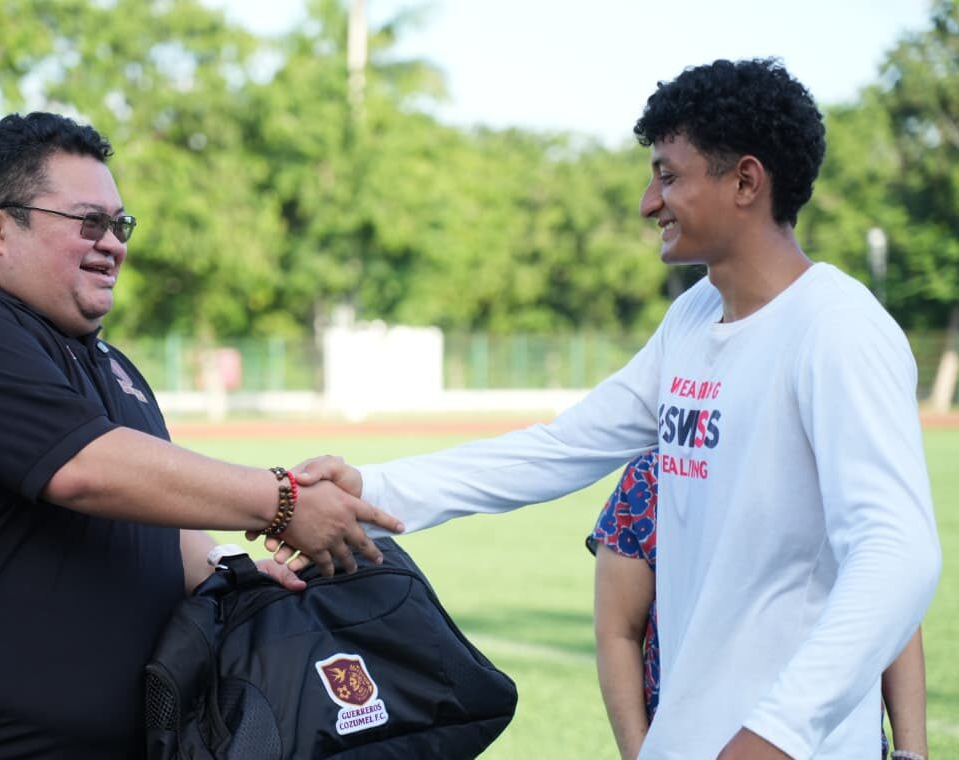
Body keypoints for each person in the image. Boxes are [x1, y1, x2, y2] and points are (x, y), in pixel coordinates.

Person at [286, 58, 941, 759]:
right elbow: (560, 449)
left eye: (668, 175)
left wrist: (780, 731)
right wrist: (375, 490)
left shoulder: (839, 329)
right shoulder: (693, 318)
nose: (647, 202)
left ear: (746, 181)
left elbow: (897, 552)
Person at [0, 112, 403, 760]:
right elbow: (89, 469)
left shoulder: (108, 362)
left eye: (120, 225)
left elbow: (154, 518)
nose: (114, 244)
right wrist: (285, 500)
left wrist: (235, 572)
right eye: (88, 223)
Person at [588, 451, 929, 760]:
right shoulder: (653, 477)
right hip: (695, 743)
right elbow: (619, 632)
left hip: (836, 741)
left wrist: (912, 753)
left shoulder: (845, 471)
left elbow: (891, 603)